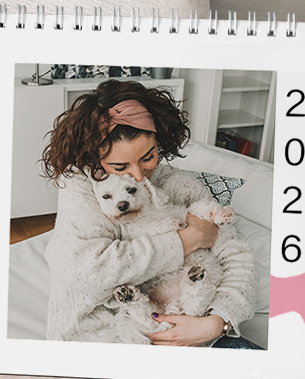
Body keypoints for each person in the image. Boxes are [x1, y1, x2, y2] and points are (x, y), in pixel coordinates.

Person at [42, 78, 260, 347]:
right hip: (99, 340)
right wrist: (187, 240)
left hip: (191, 332)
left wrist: (217, 322)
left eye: (148, 157)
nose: (138, 174)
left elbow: (236, 255)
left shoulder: (178, 184)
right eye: (119, 166)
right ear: (94, 158)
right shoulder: (83, 187)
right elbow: (86, 271)